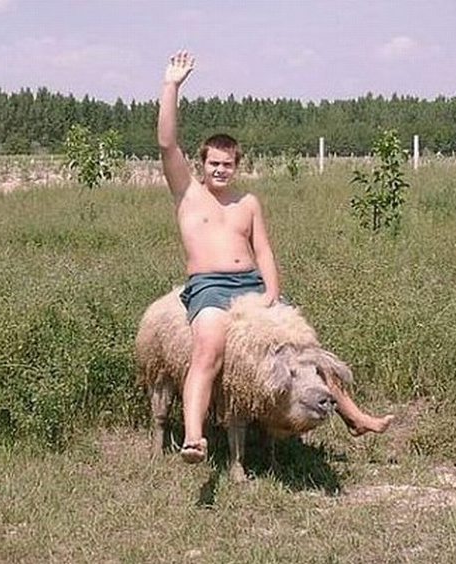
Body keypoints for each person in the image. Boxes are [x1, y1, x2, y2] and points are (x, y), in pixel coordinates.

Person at [157, 50, 393, 464]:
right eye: (214, 163)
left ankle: (354, 417)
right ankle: (194, 436)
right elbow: (166, 142)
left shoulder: (247, 202)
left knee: (305, 347)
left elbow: (263, 249)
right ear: (201, 164)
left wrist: (272, 292)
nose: (220, 170)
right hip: (209, 287)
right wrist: (171, 86)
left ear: (237, 166)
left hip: (251, 284)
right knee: (208, 349)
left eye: (227, 164)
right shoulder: (188, 193)